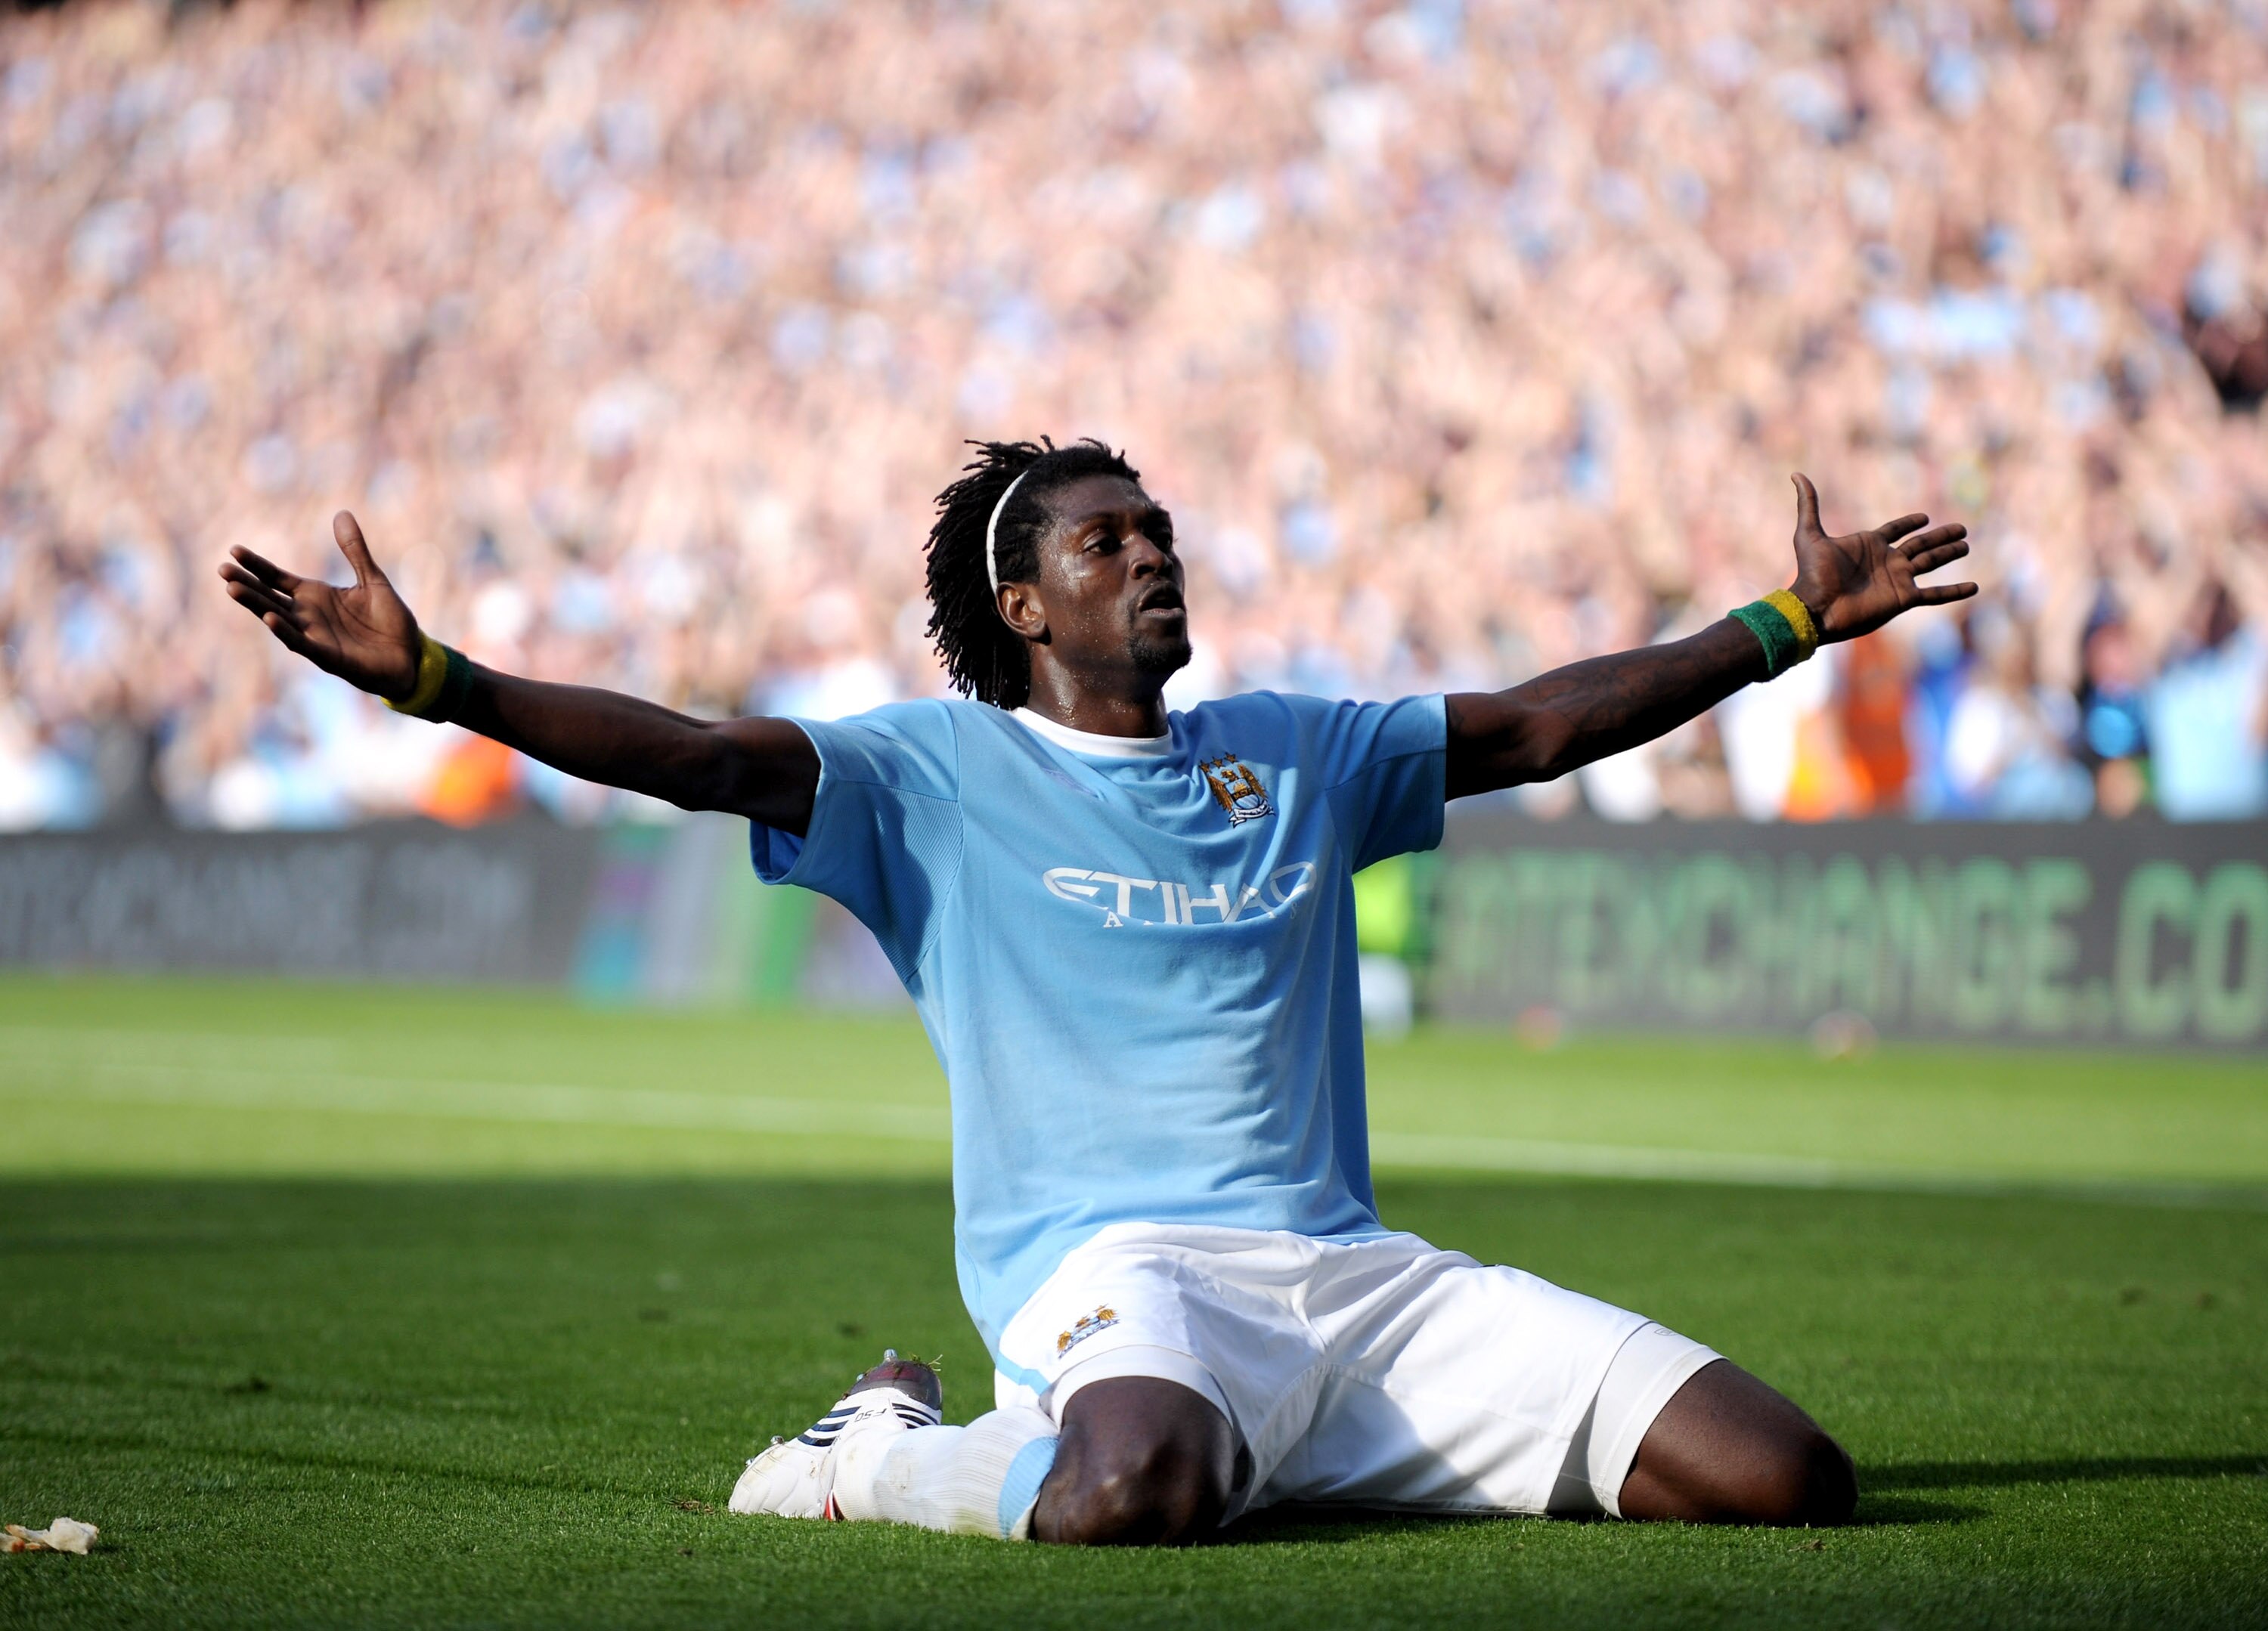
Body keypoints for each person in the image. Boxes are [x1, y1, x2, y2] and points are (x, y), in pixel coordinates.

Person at [219, 440, 1974, 1544]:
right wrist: (440, 679)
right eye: (1107, 539)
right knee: (1129, 1487)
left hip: (1356, 1278)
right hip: (1113, 1277)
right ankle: (886, 1444)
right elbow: (689, 752)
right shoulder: (928, 773)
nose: (1153, 554)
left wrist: (1781, 625)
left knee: (1781, 1477)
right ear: (1022, 601)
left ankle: (1272, 1446)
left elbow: (1534, 722)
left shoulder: (1301, 749)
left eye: (1160, 530)